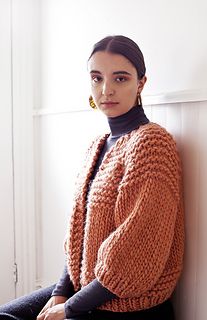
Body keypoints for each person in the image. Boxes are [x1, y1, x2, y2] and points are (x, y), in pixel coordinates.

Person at [0, 35, 185, 320]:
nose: (106, 89)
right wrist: (59, 292)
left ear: (141, 83)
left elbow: (135, 253)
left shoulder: (152, 144)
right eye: (96, 78)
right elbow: (77, 236)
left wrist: (70, 307)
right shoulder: (96, 146)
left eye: (120, 79)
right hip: (86, 291)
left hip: (128, 304)